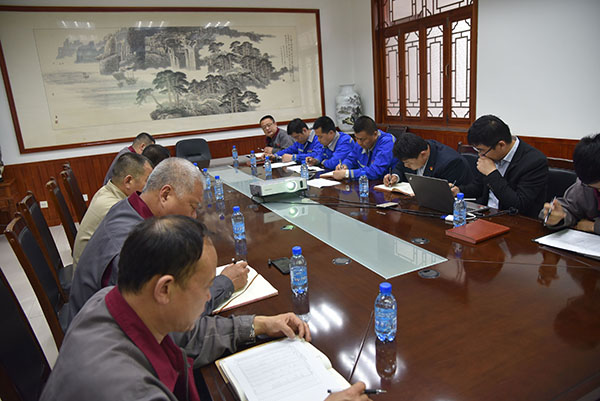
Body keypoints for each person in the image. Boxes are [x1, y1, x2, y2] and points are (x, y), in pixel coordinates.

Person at [40, 216, 369, 401]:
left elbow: (186, 337)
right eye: (206, 285)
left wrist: (259, 324)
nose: (210, 296)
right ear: (165, 289)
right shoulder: (128, 391)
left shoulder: (113, 299)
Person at [67, 157, 248, 326]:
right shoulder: (134, 250)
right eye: (192, 206)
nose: (194, 216)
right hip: (102, 338)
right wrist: (225, 283)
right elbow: (174, 321)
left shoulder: (128, 207)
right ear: (165, 195)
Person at [451, 115, 548, 217]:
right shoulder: (490, 155)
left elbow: (519, 205)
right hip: (486, 214)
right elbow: (478, 187)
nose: (480, 155)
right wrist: (459, 190)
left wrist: (492, 173)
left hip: (514, 220)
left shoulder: (534, 162)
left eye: (481, 150)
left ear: (501, 145)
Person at [72, 153, 153, 269]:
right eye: (147, 181)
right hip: (92, 275)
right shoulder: (114, 208)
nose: (150, 187)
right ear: (128, 181)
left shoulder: (106, 190)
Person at [541, 133, 600, 234]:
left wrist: (593, 226)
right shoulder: (584, 185)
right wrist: (557, 217)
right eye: (596, 187)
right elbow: (569, 208)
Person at [383, 132, 473, 186]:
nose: (406, 165)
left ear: (423, 154)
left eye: (408, 163)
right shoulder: (413, 151)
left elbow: (449, 194)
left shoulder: (450, 163)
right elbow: (400, 167)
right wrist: (395, 176)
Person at [333, 116, 396, 180]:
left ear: (375, 134)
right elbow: (351, 158)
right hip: (365, 182)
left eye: (362, 139)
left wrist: (347, 174)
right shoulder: (361, 141)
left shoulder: (387, 142)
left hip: (384, 183)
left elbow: (375, 172)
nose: (359, 142)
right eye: (356, 138)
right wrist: (345, 165)